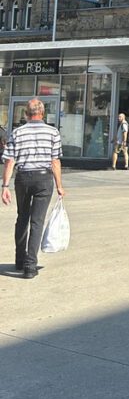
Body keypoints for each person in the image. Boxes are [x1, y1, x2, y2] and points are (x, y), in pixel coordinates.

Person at [1, 98, 65, 278]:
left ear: (26, 114)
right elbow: (55, 161)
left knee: (22, 217)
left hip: (23, 177)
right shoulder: (53, 132)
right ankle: (30, 266)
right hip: (44, 179)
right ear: (42, 113)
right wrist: (59, 186)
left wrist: (5, 186)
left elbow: (10, 161)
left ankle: (20, 260)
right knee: (37, 221)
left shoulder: (17, 132)